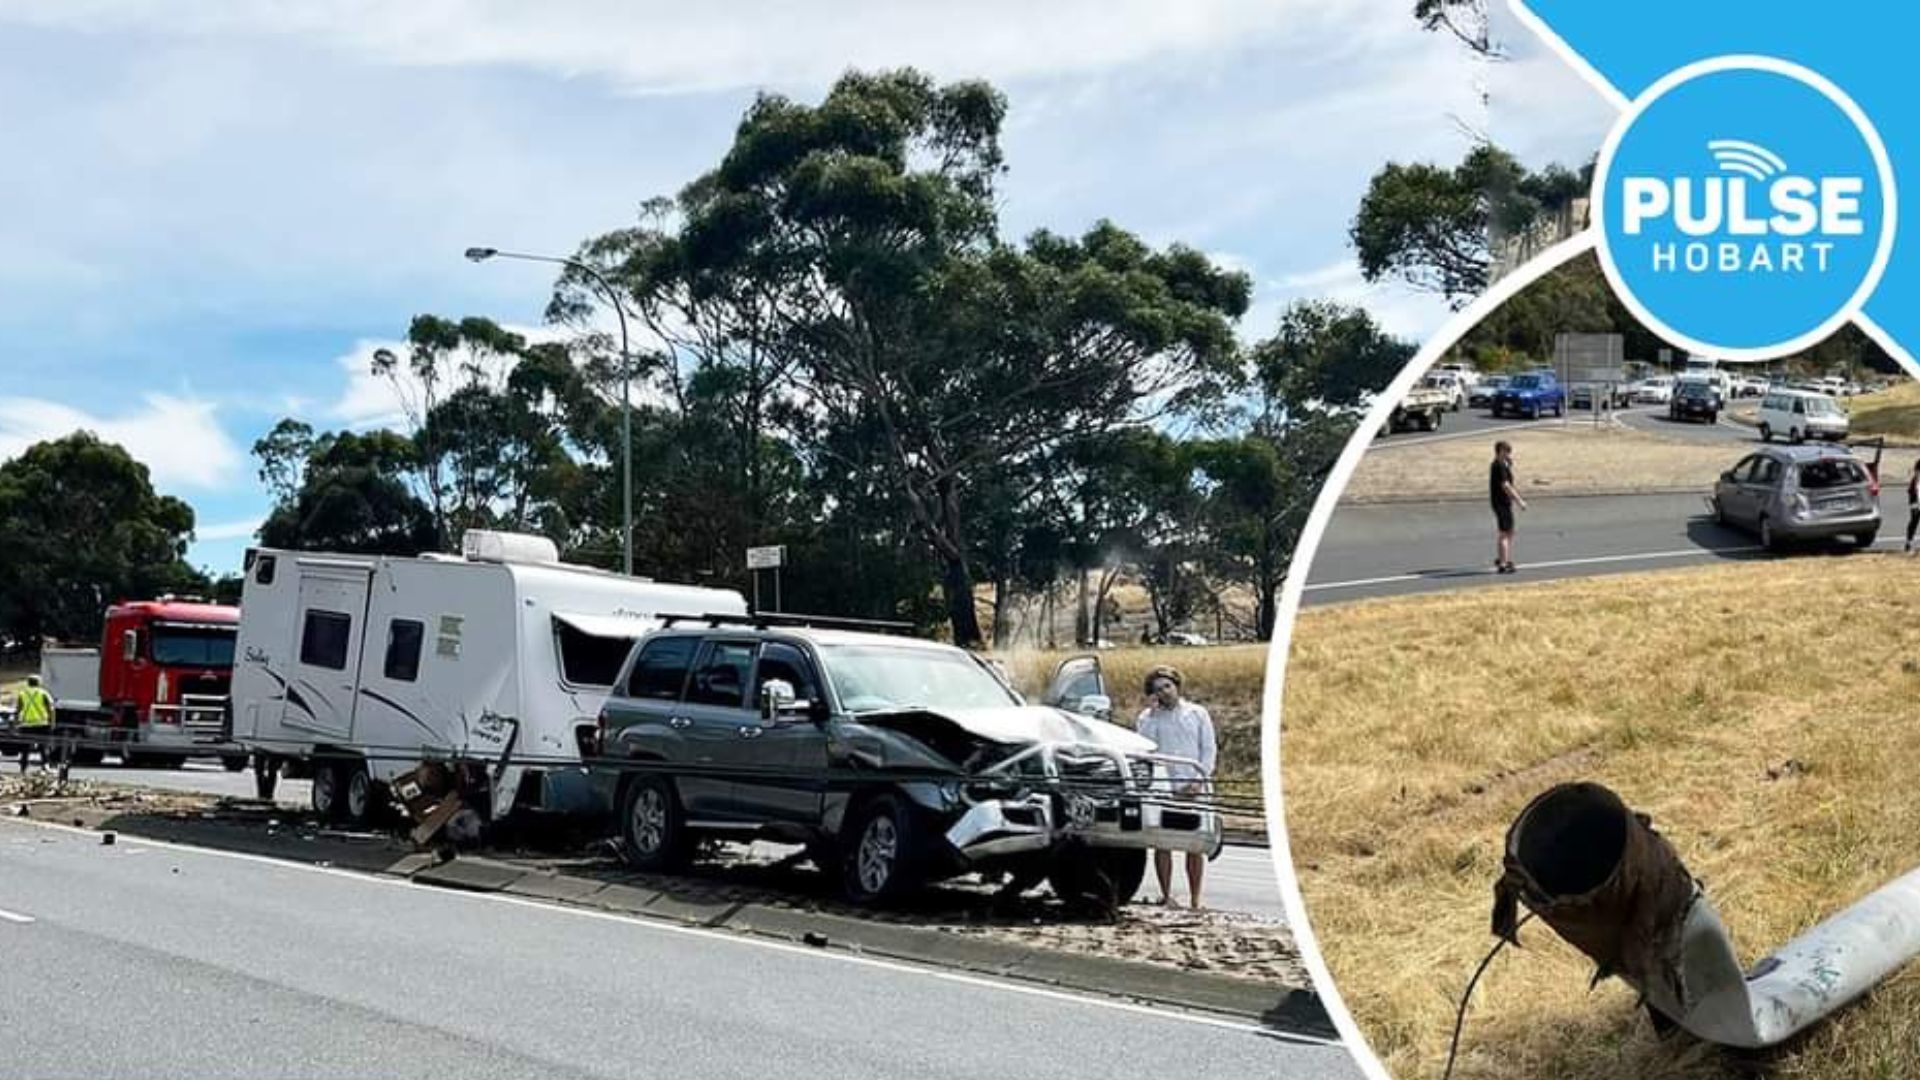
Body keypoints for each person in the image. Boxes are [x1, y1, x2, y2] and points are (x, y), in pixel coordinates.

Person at [1136, 665, 1216, 909]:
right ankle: (1166, 894)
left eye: (1168, 686)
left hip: (1193, 785)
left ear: (1177, 687)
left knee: (1194, 843)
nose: (1164, 692)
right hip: (1164, 789)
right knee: (1164, 842)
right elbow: (1144, 748)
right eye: (1158, 689)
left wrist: (1198, 781)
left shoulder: (1197, 713)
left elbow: (1208, 749)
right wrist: (1152, 714)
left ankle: (1195, 899)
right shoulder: (1147, 718)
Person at [1490, 440, 1528, 573]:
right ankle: (1503, 564)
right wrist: (1519, 501)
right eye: (1507, 451)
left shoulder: (1501, 465)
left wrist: (1509, 466)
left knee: (1509, 531)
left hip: (1502, 502)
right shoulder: (1499, 465)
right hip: (1501, 503)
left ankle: (1502, 557)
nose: (1509, 454)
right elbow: (1506, 485)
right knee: (1505, 533)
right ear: (1500, 451)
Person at [15, 674, 53, 775]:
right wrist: (52, 722)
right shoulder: (44, 693)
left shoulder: (22, 694)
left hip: (26, 724)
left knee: (25, 748)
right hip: (42, 724)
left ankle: (23, 768)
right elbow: (51, 708)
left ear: (28, 683)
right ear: (39, 683)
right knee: (43, 746)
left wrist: (16, 723)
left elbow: (18, 709)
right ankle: (45, 766)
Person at [1906, 459, 1920, 555]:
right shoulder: (1915, 481)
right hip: (1915, 496)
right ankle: (1909, 543)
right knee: (1915, 518)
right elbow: (1914, 487)